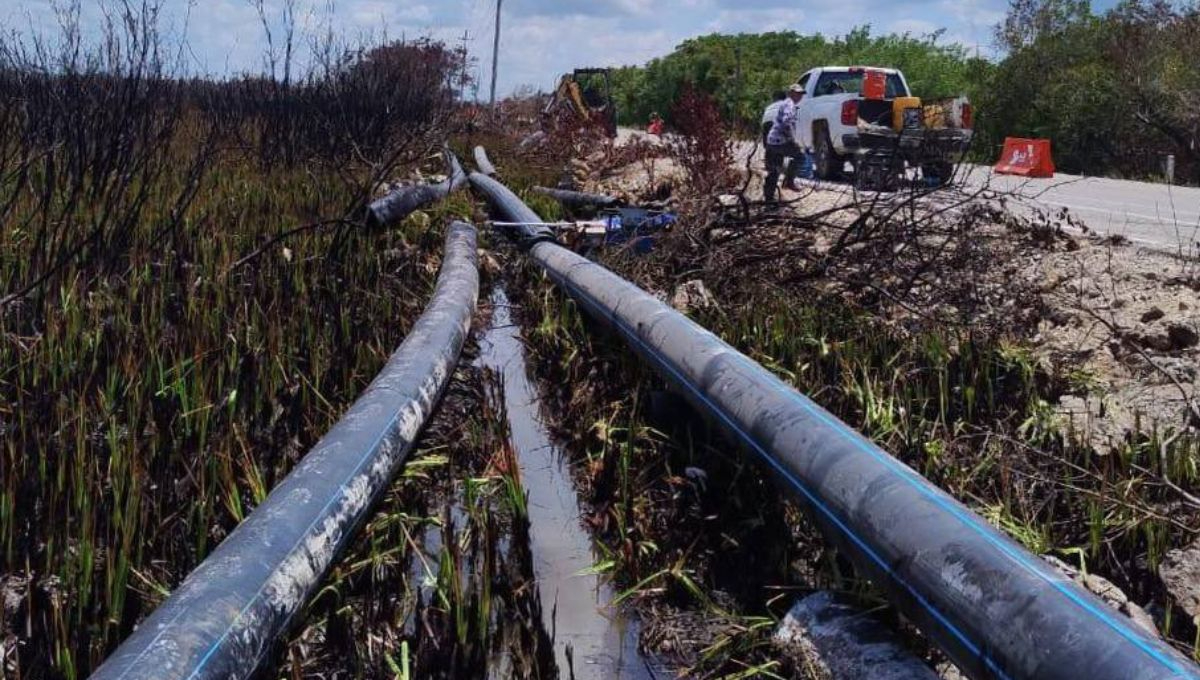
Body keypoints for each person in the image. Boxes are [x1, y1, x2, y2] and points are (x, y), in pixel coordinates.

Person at [764, 83, 805, 202]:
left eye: (801, 94)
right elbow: (787, 122)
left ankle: (768, 199)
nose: (800, 96)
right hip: (780, 140)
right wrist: (792, 140)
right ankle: (789, 181)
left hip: (771, 141)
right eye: (797, 94)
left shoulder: (785, 104)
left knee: (774, 171)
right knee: (800, 156)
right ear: (791, 93)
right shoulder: (790, 104)